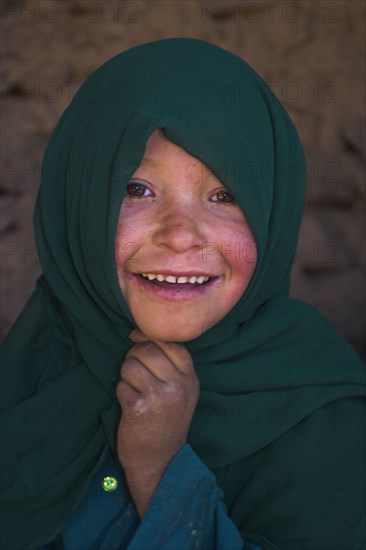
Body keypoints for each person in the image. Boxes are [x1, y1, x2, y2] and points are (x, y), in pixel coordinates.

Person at [1, 38, 365, 550]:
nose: (179, 234)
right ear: (77, 202)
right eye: (136, 190)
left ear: (272, 213)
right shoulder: (29, 375)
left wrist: (160, 469)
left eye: (225, 195)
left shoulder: (324, 417)